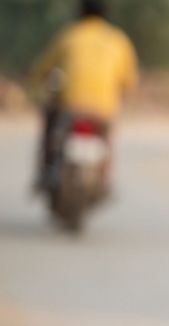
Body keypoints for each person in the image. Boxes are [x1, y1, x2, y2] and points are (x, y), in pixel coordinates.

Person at [28, 0, 138, 192]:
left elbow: (44, 69)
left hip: (71, 105)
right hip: (103, 109)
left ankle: (47, 168)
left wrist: (34, 79)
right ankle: (104, 178)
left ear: (80, 12)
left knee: (51, 125)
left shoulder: (69, 36)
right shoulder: (118, 39)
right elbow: (129, 81)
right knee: (108, 138)